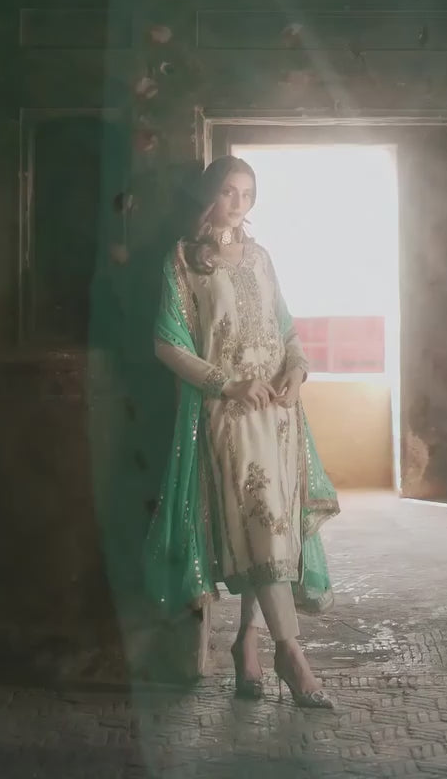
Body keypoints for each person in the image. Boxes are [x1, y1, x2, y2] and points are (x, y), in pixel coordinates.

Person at [144, 156, 340, 708]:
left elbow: (286, 329)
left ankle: (247, 643)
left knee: (273, 530)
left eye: (248, 194)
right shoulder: (183, 261)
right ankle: (291, 653)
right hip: (229, 416)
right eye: (230, 191)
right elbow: (167, 343)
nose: (239, 203)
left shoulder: (260, 258)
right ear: (210, 194)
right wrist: (226, 384)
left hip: (280, 415)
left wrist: (297, 369)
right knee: (259, 525)